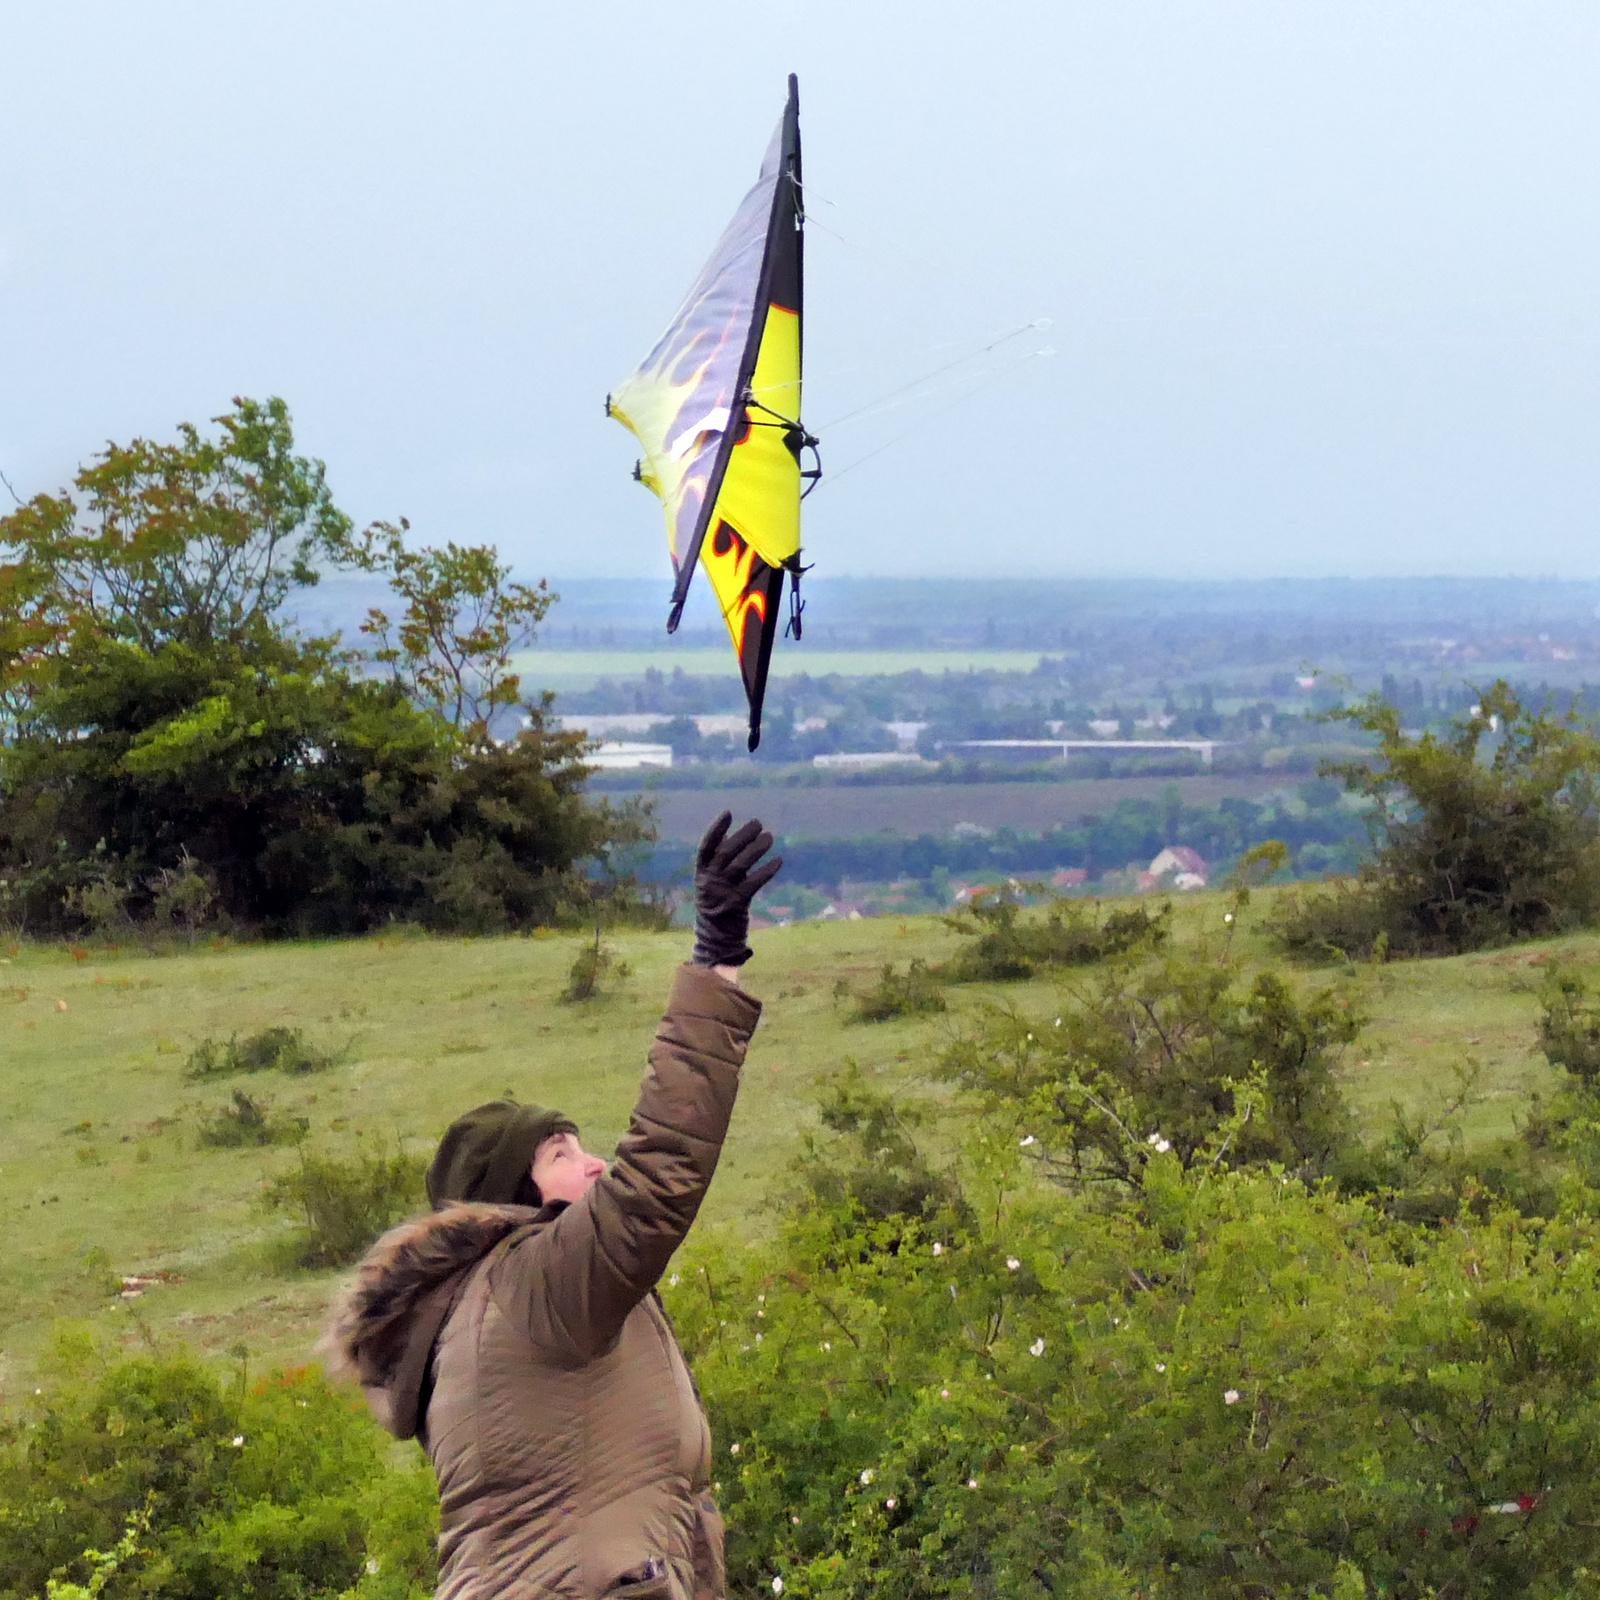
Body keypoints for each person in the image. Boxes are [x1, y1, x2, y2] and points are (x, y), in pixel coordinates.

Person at [322, 814, 781, 1600]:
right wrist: (715, 965)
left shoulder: (482, 1311)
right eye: (560, 1156)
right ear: (511, 1200)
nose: (594, 1162)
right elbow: (661, 1169)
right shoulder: (531, 1283)